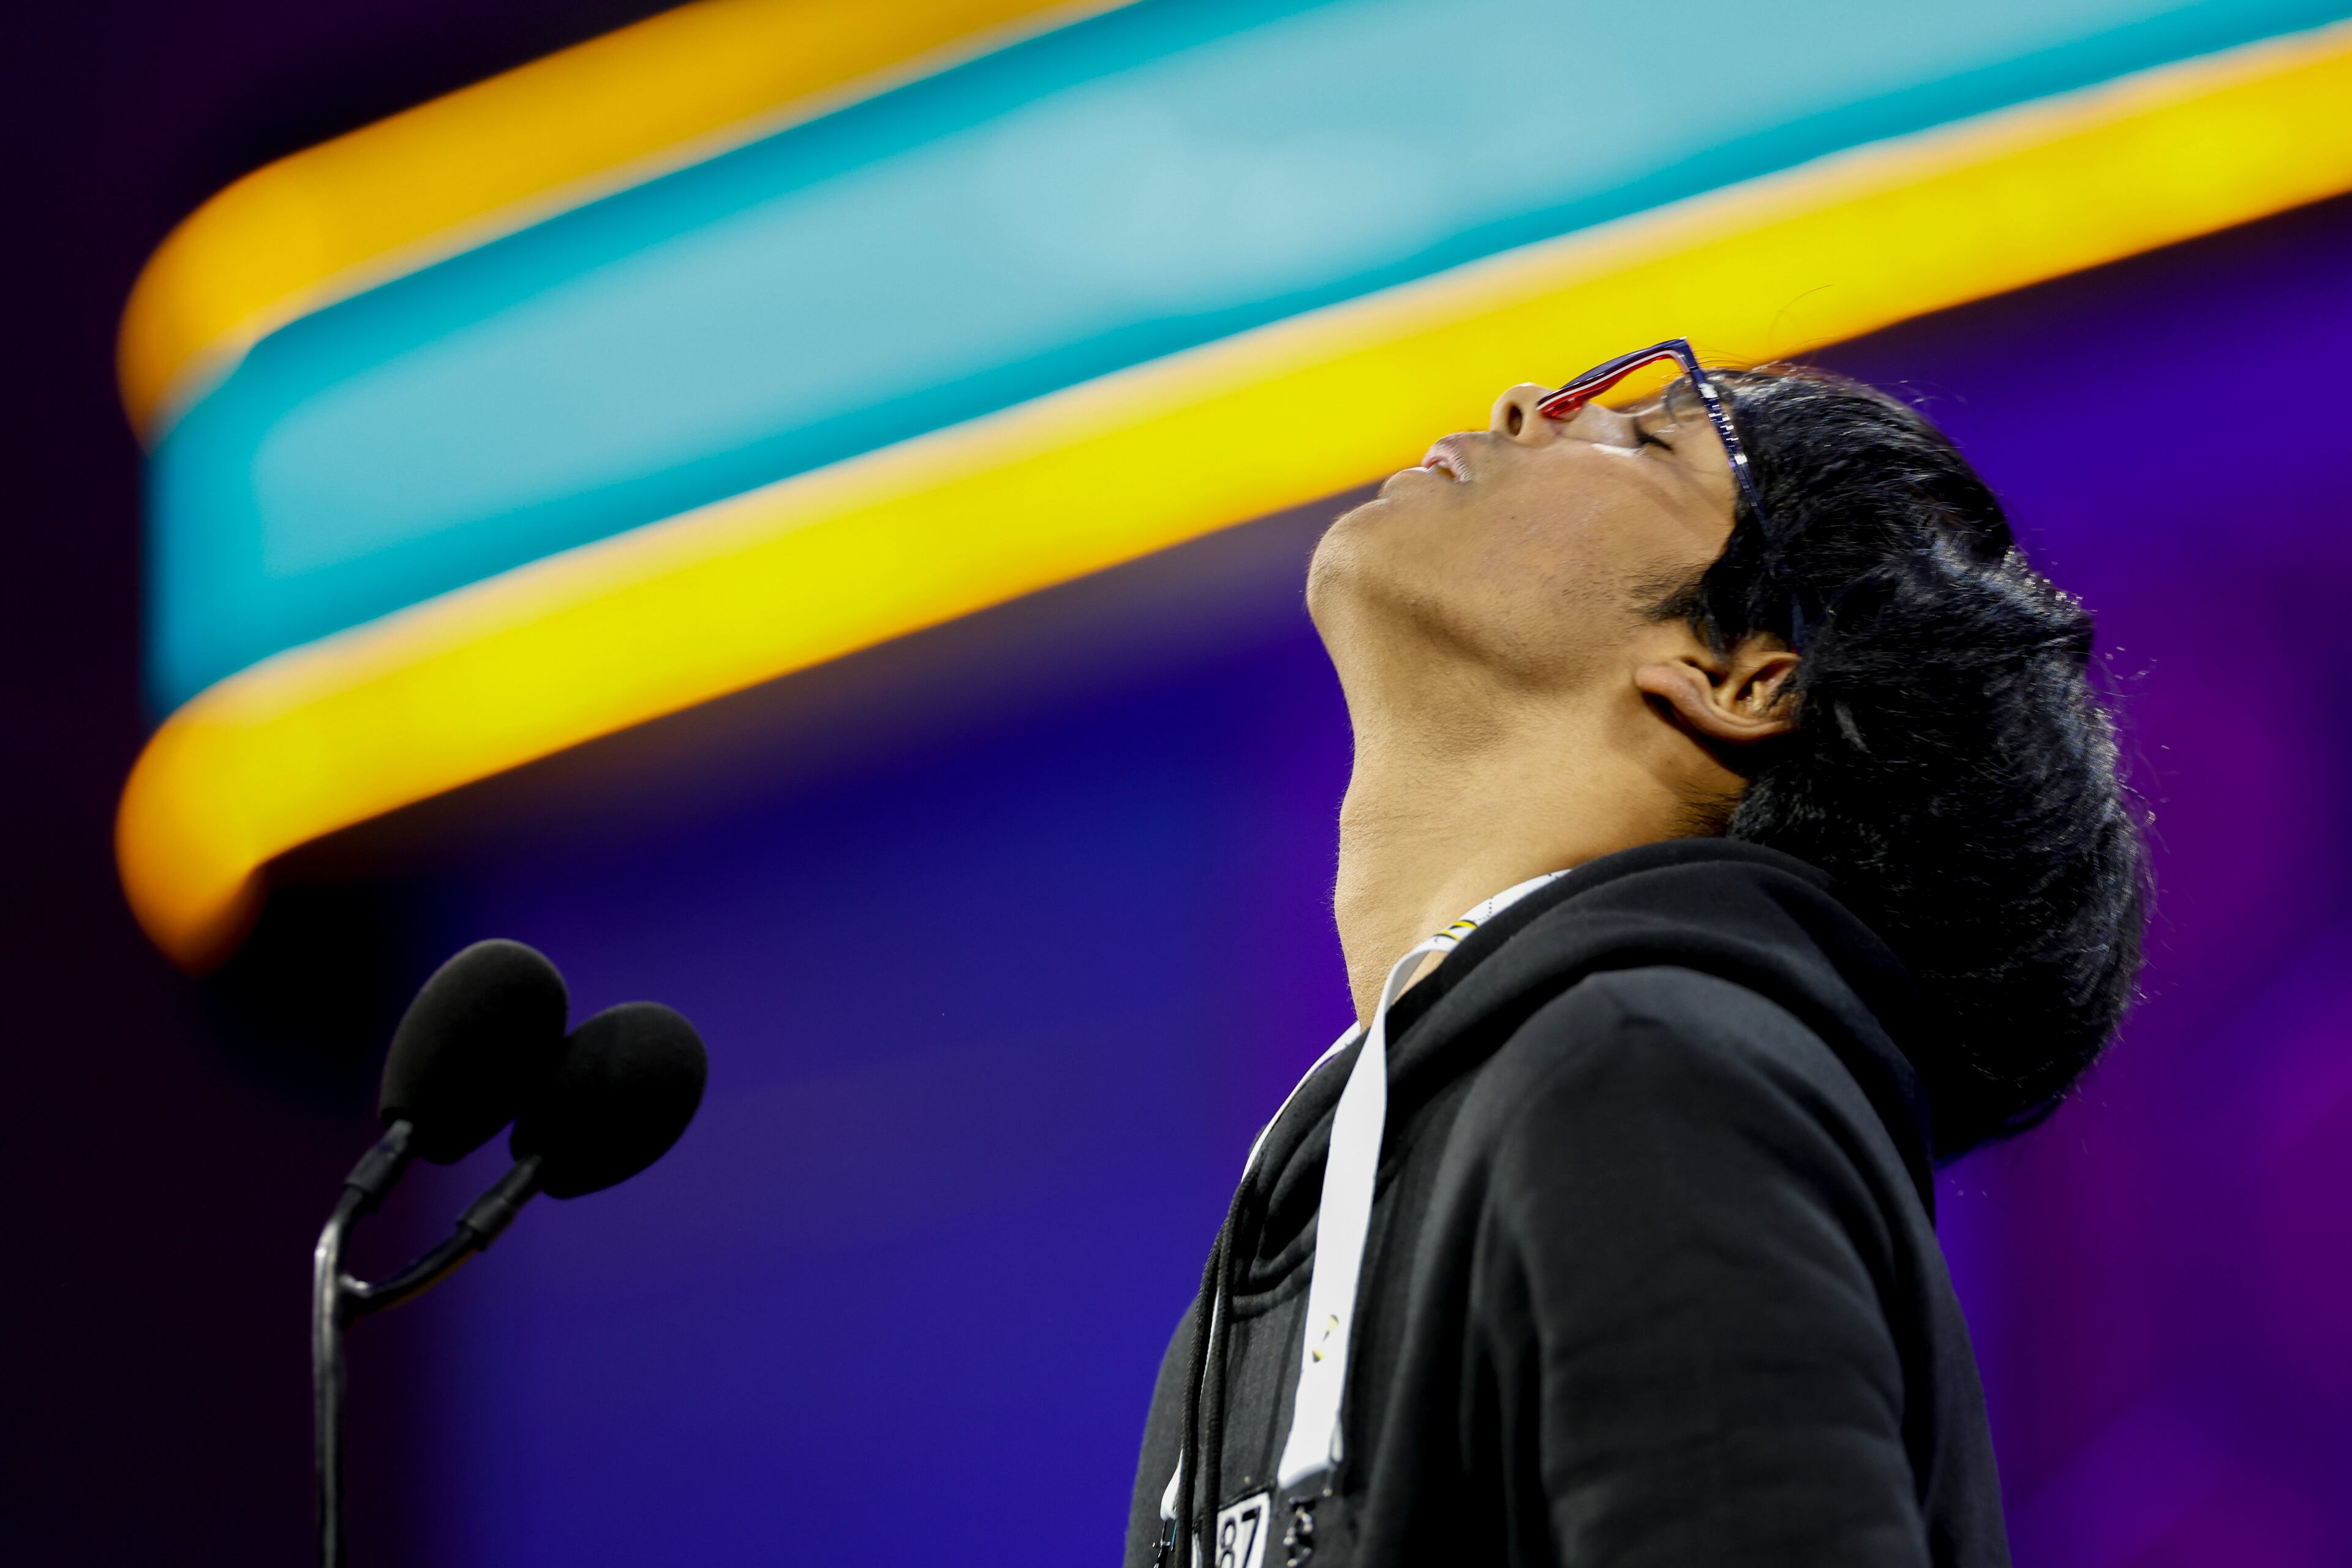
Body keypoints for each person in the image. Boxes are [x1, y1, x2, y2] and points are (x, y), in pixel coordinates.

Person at [1122, 343, 2147, 1568]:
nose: (1526, 405)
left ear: (1737, 678)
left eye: (1652, 438)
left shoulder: (1651, 1076)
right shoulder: (1318, 1218)